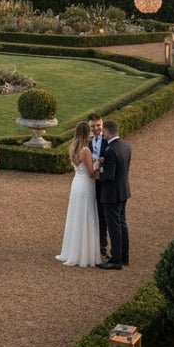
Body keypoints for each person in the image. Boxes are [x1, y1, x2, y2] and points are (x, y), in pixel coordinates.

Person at [55, 121, 103, 268]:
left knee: (76, 216)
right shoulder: (85, 150)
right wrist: (99, 163)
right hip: (86, 185)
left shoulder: (74, 147)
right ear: (87, 133)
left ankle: (73, 250)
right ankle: (84, 254)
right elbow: (90, 172)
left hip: (76, 183)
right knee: (86, 216)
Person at [97, 119, 131, 270]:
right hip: (123, 190)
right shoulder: (125, 146)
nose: (102, 134)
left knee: (114, 226)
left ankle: (116, 259)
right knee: (122, 224)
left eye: (103, 131)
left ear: (108, 131)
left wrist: (100, 168)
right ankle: (124, 256)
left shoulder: (111, 150)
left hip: (111, 194)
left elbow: (108, 176)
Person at [87, 112, 109, 260]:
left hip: (103, 182)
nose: (96, 128)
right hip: (90, 182)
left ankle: (102, 245)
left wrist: (100, 161)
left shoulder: (108, 141)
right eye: (93, 126)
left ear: (103, 124)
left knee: (102, 214)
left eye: (98, 125)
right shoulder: (88, 142)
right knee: (90, 212)